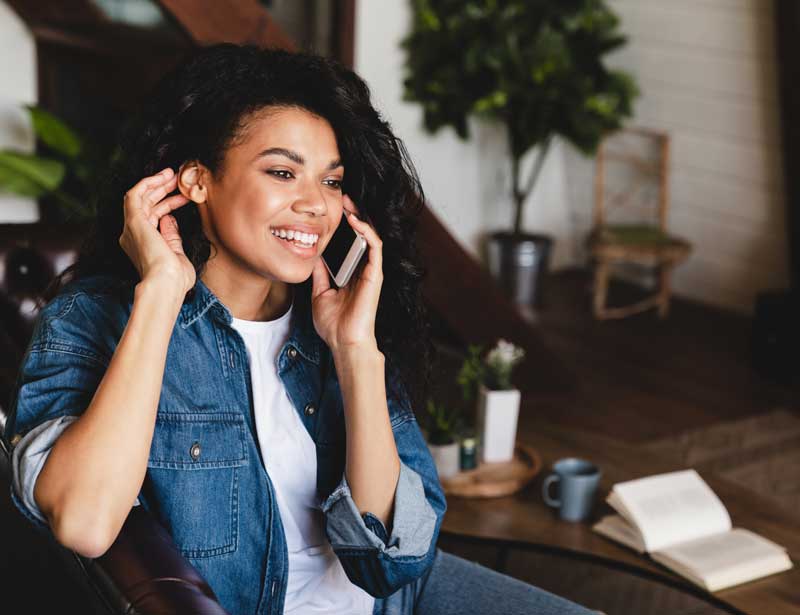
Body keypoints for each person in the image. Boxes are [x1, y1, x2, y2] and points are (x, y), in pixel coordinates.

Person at [4, 44, 597, 615]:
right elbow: (83, 522)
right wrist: (160, 293)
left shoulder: (334, 316)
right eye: (283, 172)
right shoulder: (93, 318)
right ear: (196, 181)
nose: (317, 204)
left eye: (332, 181)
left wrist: (355, 349)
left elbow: (393, 561)